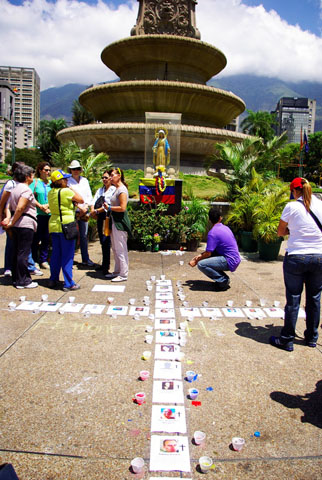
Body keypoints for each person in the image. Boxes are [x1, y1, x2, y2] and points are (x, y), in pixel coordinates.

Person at [270, 177, 322, 352]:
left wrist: (292, 230)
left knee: (293, 299)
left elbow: (280, 232)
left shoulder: (291, 206)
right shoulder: (320, 204)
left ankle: (287, 339)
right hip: (319, 256)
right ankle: (312, 338)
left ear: (294, 191)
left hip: (296, 256)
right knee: (314, 298)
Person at [2, 166, 38, 289]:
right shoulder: (26, 190)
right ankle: (24, 280)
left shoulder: (14, 189)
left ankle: (17, 279)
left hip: (17, 224)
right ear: (27, 177)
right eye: (32, 175)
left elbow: (8, 207)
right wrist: (12, 221)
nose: (33, 177)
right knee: (23, 252)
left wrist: (10, 220)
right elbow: (20, 208)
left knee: (17, 251)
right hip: (25, 224)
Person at [48, 170, 84, 291]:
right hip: (66, 225)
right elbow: (81, 199)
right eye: (65, 179)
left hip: (54, 225)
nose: (67, 181)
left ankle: (53, 279)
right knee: (68, 256)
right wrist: (71, 188)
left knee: (56, 254)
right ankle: (69, 283)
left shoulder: (51, 192)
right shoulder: (66, 191)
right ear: (60, 181)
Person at [189, 207, 241, 291]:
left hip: (229, 260)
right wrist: (199, 256)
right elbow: (211, 252)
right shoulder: (226, 228)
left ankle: (223, 280)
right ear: (220, 218)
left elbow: (208, 254)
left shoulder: (212, 233)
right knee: (205, 258)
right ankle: (222, 279)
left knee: (202, 264)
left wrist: (196, 260)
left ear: (209, 219)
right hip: (236, 258)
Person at [104, 168, 131, 282]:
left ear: (119, 176)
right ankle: (117, 271)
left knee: (120, 248)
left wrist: (109, 207)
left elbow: (123, 207)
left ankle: (123, 273)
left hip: (120, 222)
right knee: (115, 248)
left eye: (112, 175)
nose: (110, 177)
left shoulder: (122, 190)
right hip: (114, 221)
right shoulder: (116, 189)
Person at [67, 159, 94, 266]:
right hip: (73, 211)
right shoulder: (68, 181)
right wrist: (78, 206)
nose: (76, 171)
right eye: (73, 169)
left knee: (84, 235)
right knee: (72, 235)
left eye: (77, 169)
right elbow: (69, 196)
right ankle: (70, 259)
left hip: (84, 210)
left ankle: (85, 258)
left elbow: (88, 195)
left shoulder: (85, 180)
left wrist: (86, 207)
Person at [90, 169, 116, 275]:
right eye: (103, 178)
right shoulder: (100, 190)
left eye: (106, 177)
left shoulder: (113, 190)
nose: (104, 179)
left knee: (106, 240)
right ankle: (104, 264)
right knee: (101, 240)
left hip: (107, 218)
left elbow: (108, 205)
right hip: (99, 217)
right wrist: (93, 210)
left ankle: (106, 266)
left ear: (111, 178)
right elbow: (93, 201)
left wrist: (96, 210)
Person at [30, 161, 51, 269]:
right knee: (36, 238)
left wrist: (47, 205)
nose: (48, 172)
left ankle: (44, 259)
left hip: (49, 214)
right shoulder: (35, 182)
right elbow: (30, 197)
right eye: (46, 170)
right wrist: (40, 206)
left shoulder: (51, 183)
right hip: (38, 214)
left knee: (46, 238)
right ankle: (34, 260)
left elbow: (54, 196)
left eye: (49, 170)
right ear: (40, 170)